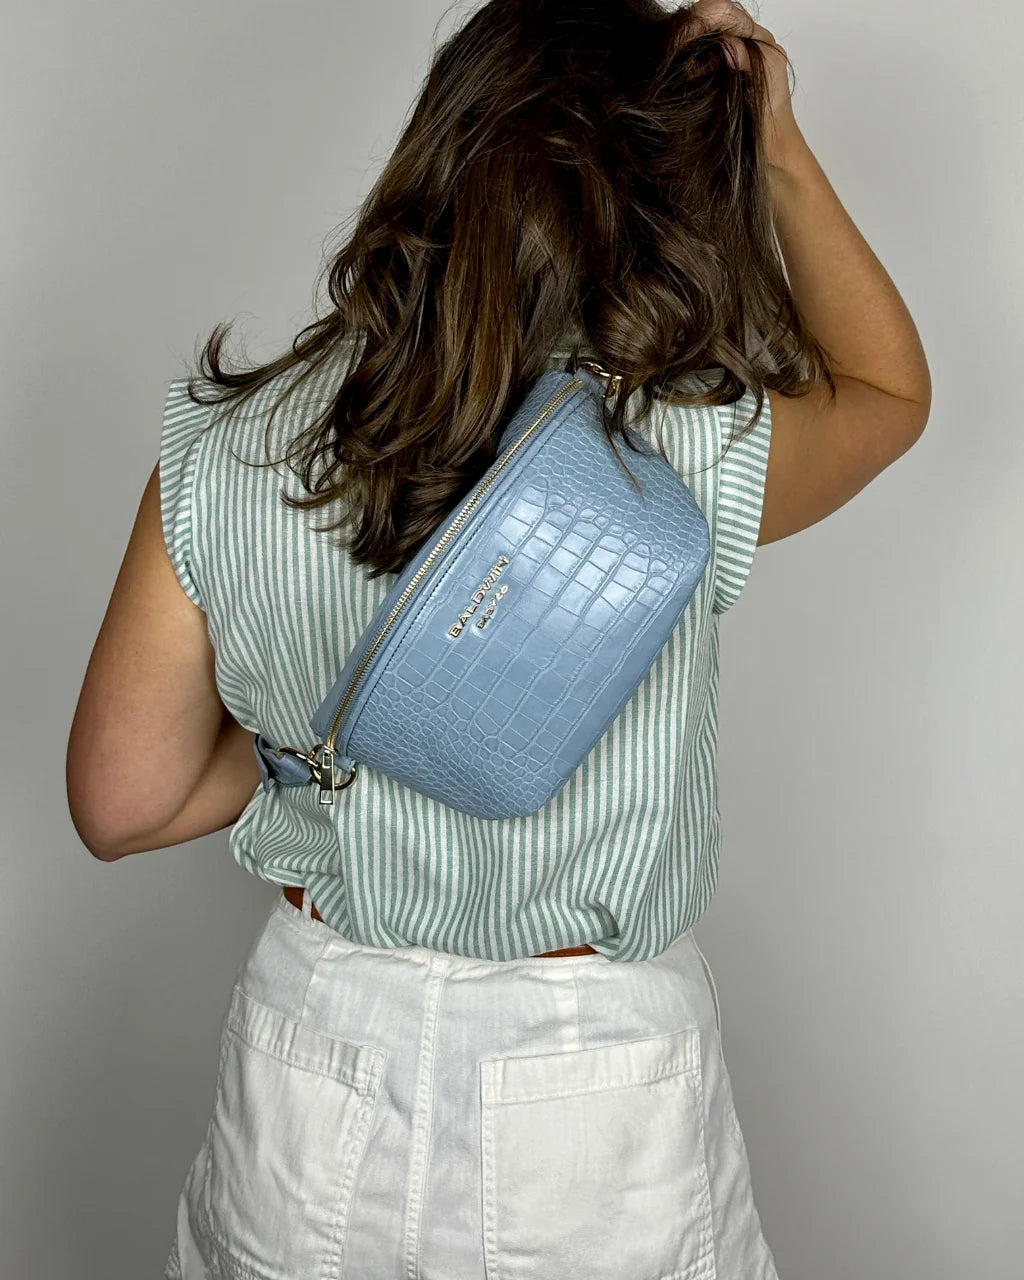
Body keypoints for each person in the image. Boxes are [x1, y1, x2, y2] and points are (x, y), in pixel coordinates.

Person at [65, 1, 931, 1277]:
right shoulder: (683, 446)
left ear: (439, 145)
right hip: (596, 1085)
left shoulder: (226, 447)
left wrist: (329, 734)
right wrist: (780, 145)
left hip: (311, 1052)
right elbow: (889, 390)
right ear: (663, 188)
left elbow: (121, 801)